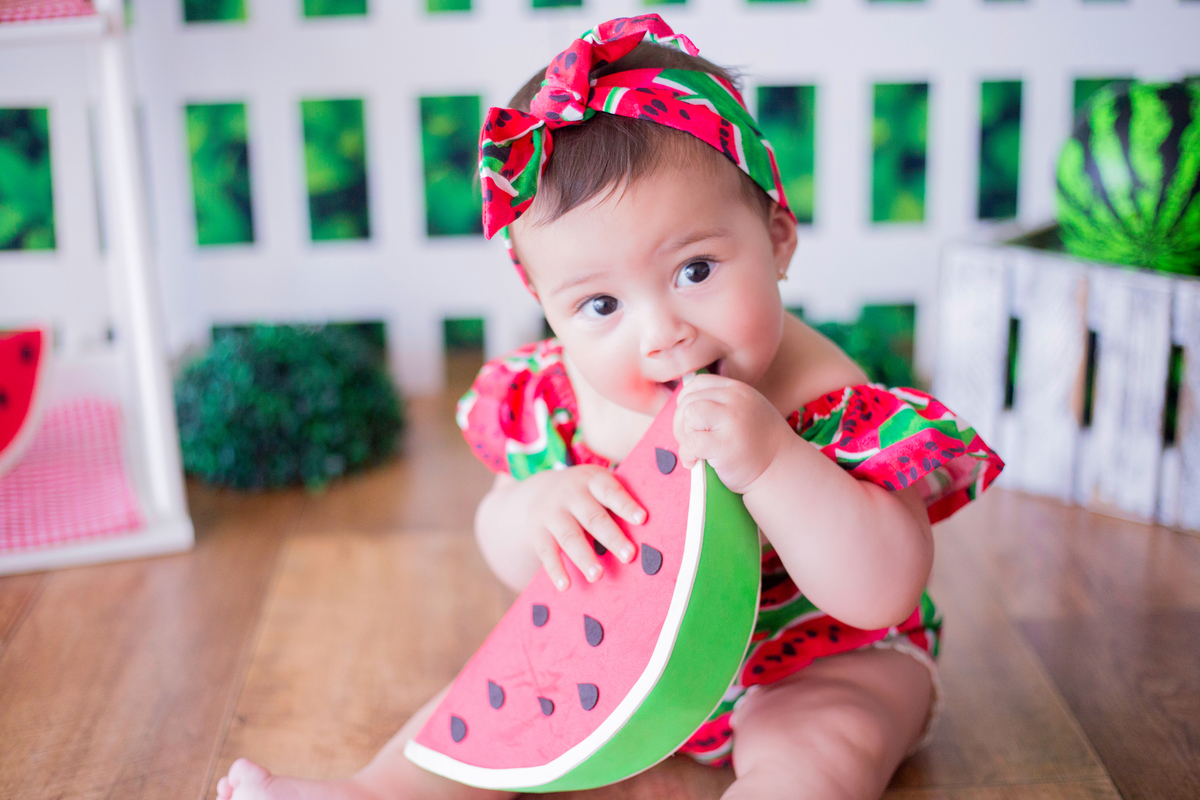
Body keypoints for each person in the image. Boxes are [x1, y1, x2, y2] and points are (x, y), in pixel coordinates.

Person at [218, 15, 1002, 800]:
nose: (663, 333)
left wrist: (774, 461)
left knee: (826, 744)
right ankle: (372, 791)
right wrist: (535, 511)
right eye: (600, 305)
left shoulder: (829, 401)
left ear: (777, 235)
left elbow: (883, 588)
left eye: (695, 269)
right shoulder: (560, 399)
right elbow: (501, 538)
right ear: (546, 308)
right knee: (487, 704)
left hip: (821, 661)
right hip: (629, 666)